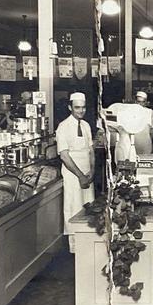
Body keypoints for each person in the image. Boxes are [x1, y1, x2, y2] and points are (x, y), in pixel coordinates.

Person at [55, 92, 95, 233]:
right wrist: (80, 176)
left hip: (87, 174)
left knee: (88, 206)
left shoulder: (86, 125)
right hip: (73, 175)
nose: (81, 111)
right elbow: (65, 156)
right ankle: (74, 246)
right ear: (70, 107)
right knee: (74, 206)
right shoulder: (63, 127)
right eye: (77, 107)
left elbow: (91, 150)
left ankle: (87, 239)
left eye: (83, 107)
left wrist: (91, 171)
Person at [131, 90, 153, 156]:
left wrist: (148, 140)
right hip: (133, 143)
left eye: (143, 102)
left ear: (146, 103)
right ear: (135, 102)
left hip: (146, 144)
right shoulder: (130, 112)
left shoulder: (150, 112)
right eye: (138, 102)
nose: (140, 104)